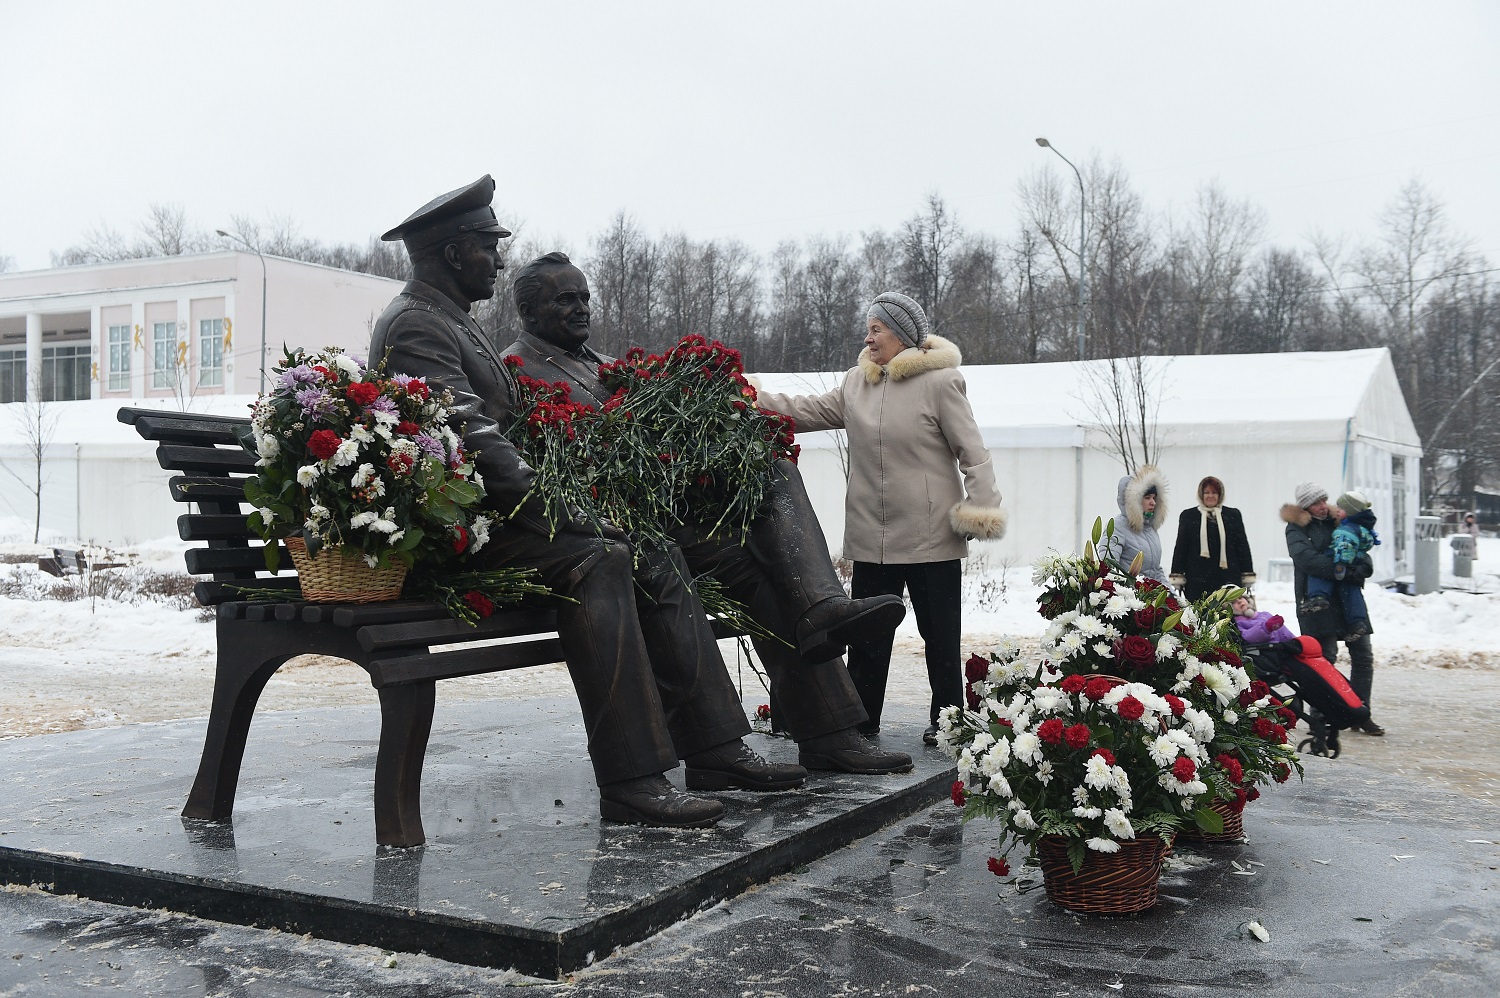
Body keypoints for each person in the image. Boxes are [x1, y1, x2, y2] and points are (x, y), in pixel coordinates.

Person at [368, 177, 809, 828]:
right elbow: (470, 432)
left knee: (648, 543)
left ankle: (715, 749)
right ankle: (631, 780)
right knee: (599, 557)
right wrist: (562, 507)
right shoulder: (415, 324)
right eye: (488, 246)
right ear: (456, 252)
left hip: (495, 517)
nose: (496, 258)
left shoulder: (449, 320)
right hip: (461, 530)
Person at [500, 252, 913, 776]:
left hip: (671, 511)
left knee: (770, 489)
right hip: (611, 531)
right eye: (566, 299)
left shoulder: (602, 364)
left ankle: (828, 697)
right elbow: (532, 466)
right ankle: (717, 748)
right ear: (529, 310)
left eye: (584, 297)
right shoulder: (515, 370)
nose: (581, 308)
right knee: (671, 563)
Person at [752, 291, 1007, 747]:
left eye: (876, 329)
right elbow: (804, 410)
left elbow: (973, 452)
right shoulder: (856, 384)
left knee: (939, 636)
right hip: (873, 537)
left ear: (903, 335)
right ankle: (862, 717)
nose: (867, 338)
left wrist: (981, 507)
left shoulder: (941, 383)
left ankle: (948, 719)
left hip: (932, 537)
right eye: (868, 329)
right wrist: (746, 396)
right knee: (867, 634)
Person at [1282, 481, 1384, 736]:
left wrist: (1360, 567)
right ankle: (1322, 715)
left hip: (1348, 599)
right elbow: (1307, 560)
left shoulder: (1339, 519)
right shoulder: (1296, 528)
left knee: (1363, 656)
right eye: (1316, 503)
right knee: (1323, 660)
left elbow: (1360, 547)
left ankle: (1361, 712)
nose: (1321, 506)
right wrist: (1340, 569)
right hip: (1317, 601)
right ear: (1305, 506)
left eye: (1323, 500)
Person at [1303, 490, 1378, 638]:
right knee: (1351, 593)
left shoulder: (1345, 529)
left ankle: (1318, 596)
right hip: (1356, 562)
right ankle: (1357, 622)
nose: (1336, 510)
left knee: (1319, 576)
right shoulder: (1362, 526)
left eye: (1341, 508)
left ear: (1350, 512)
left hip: (1340, 560)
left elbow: (1344, 546)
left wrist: (1340, 564)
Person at [1170, 475, 1254, 600]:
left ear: (1220, 495)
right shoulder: (1189, 516)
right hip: (1197, 579)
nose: (1210, 496)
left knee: (1227, 616)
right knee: (1199, 616)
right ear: (1201, 494)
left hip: (1228, 578)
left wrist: (1247, 573)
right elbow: (1181, 547)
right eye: (1207, 492)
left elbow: (1242, 546)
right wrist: (1177, 574)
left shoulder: (1232, 515)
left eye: (1214, 492)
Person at [1105, 465, 1169, 584]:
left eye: (1154, 498)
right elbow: (1108, 567)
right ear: (1134, 500)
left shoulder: (1150, 529)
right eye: (1147, 497)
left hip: (1150, 597)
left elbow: (1155, 570)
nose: (1153, 502)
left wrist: (1172, 596)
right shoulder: (1117, 527)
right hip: (1128, 599)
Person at [1230, 592, 1297, 644]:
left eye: (1240, 598)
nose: (1239, 601)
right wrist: (1265, 628)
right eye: (1233, 602)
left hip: (1282, 649)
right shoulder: (1238, 624)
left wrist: (1295, 642)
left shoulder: (1264, 614)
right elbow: (1248, 637)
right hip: (1267, 654)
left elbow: (1284, 633)